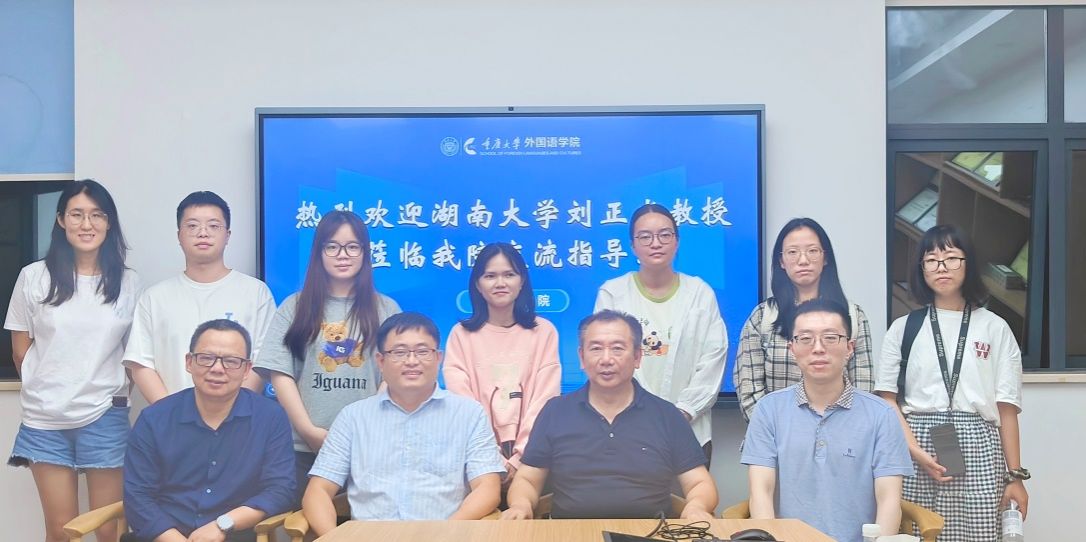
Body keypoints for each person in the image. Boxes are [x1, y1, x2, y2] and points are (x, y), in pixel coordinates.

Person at [5, 180, 140, 542]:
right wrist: (49, 386)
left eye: (97, 215)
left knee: (109, 529)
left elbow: (133, 355)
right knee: (61, 530)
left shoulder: (128, 282)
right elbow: (20, 351)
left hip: (105, 414)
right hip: (44, 418)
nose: (86, 224)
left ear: (109, 223)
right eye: (77, 214)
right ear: (61, 220)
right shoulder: (33, 277)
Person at [875, 224, 1028, 542]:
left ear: (967, 263)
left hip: (979, 449)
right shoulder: (903, 328)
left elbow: (1006, 408)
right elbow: (887, 398)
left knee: (979, 534)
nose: (941, 267)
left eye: (951, 258)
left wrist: (1014, 476)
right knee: (918, 532)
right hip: (915, 448)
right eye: (931, 260)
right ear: (922, 269)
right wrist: (915, 450)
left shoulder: (995, 328)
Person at [501, 309, 718, 521]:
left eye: (617, 349)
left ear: (637, 357)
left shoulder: (666, 415)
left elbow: (699, 483)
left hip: (649, 534)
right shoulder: (555, 411)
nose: (606, 359)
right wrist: (521, 505)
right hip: (571, 534)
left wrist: (696, 507)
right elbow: (527, 480)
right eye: (596, 349)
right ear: (581, 357)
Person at [302, 312, 504, 534]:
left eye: (422, 351)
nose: (412, 361)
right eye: (399, 352)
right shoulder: (353, 418)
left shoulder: (469, 414)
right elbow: (318, 491)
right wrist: (334, 538)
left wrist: (445, 533)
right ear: (381, 361)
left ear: (439, 358)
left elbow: (487, 488)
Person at [254, 210, 401, 504]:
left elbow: (393, 375)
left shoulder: (386, 309)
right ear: (319, 252)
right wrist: (308, 430)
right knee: (307, 523)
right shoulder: (294, 307)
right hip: (304, 450)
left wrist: (367, 426)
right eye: (332, 246)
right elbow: (280, 373)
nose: (342, 255)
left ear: (365, 252)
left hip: (369, 447)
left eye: (352, 246)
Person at [741, 299, 913, 542]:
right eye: (806, 339)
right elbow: (761, 492)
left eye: (831, 338)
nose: (818, 348)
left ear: (850, 348)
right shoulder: (769, 410)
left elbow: (889, 500)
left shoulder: (881, 414)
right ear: (792, 349)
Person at [123, 319, 295, 542]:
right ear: (189, 362)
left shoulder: (270, 417)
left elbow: (280, 489)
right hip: (163, 536)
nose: (217, 369)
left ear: (246, 369)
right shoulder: (154, 419)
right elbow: (138, 496)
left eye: (231, 361)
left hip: (232, 534)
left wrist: (223, 524)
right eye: (206, 358)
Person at [594, 203, 727, 461]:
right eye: (645, 236)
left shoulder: (699, 293)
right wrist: (643, 415)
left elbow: (714, 358)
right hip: (625, 431)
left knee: (693, 490)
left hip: (690, 431)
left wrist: (683, 412)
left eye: (665, 235)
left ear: (677, 242)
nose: (656, 243)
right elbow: (605, 359)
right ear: (632, 246)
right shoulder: (612, 293)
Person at [125, 191, 275, 403]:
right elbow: (141, 364)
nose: (203, 233)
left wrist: (231, 411)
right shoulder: (155, 298)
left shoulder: (256, 293)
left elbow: (262, 362)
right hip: (173, 418)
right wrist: (169, 414)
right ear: (179, 235)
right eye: (193, 226)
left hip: (240, 418)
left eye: (213, 226)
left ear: (227, 235)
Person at [443, 242, 560, 490]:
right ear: (477, 284)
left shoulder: (544, 331)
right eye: (490, 276)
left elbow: (545, 399)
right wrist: (491, 457)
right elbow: (463, 404)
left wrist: (520, 458)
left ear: (522, 281)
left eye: (509, 274)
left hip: (534, 459)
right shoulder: (460, 335)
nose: (500, 283)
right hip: (476, 459)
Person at [734, 217, 875, 421]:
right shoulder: (763, 317)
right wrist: (780, 431)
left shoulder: (853, 315)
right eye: (792, 252)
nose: (803, 260)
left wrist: (833, 431)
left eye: (812, 251)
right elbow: (749, 390)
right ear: (781, 261)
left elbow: (863, 388)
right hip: (777, 435)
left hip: (841, 434)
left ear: (825, 257)